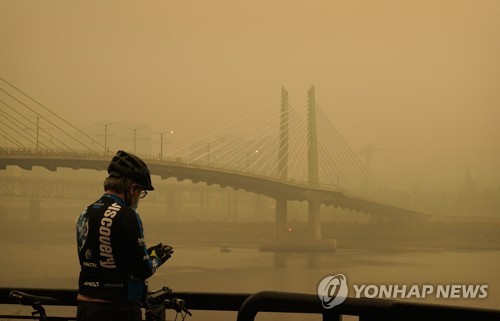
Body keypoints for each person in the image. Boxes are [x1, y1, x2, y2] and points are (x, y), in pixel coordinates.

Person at [76, 150, 173, 321]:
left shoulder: (86, 212)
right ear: (132, 188)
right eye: (141, 192)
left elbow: (106, 257)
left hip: (85, 306)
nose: (138, 198)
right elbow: (143, 270)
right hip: (117, 308)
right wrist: (157, 258)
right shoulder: (126, 214)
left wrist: (144, 253)